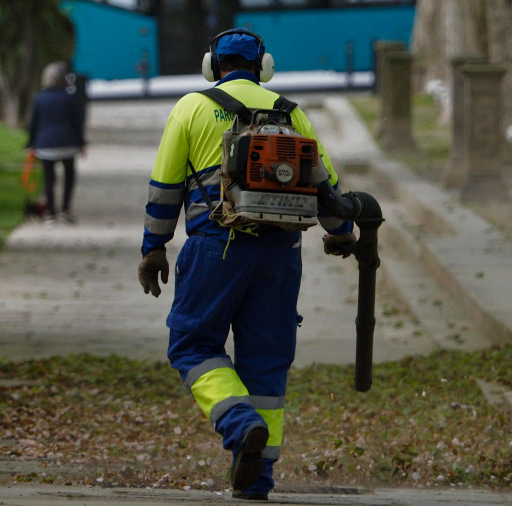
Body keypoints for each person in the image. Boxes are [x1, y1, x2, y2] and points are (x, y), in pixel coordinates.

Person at [138, 29, 357, 500]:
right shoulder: (291, 113)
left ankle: (240, 425)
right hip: (280, 254)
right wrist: (342, 235)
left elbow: (165, 187)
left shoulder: (191, 108)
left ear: (210, 66)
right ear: (264, 67)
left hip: (215, 248)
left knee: (193, 345)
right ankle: (257, 479)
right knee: (267, 362)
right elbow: (328, 188)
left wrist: (153, 247)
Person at [26, 61, 86, 226]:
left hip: (45, 145)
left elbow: (33, 124)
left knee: (49, 179)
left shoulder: (39, 98)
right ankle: (65, 210)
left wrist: (31, 143)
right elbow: (77, 123)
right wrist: (81, 143)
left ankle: (50, 213)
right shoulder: (70, 98)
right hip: (68, 144)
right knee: (69, 176)